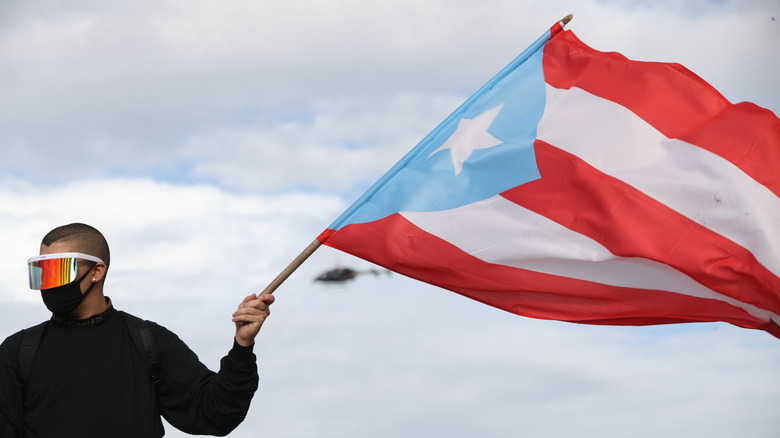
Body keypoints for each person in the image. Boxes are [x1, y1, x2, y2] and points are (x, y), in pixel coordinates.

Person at [0, 223, 275, 437]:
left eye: (58, 271)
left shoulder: (150, 342)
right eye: (41, 272)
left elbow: (215, 413)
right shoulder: (16, 351)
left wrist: (242, 346)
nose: (49, 284)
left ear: (97, 271)